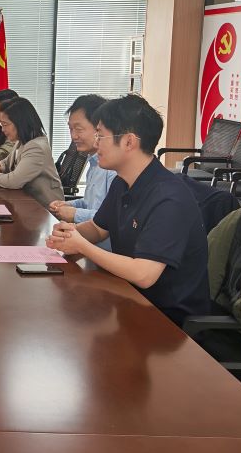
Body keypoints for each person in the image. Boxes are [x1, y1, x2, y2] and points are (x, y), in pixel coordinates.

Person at [46, 95, 210, 326]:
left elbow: (144, 274)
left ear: (129, 142)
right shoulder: (122, 182)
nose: (96, 143)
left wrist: (81, 246)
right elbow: (98, 228)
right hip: (128, 298)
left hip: (168, 321)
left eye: (101, 135)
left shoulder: (169, 198)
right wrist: (69, 234)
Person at [47, 94, 117, 226]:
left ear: (100, 128)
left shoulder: (114, 168)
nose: (73, 136)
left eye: (78, 129)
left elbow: (111, 218)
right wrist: (67, 205)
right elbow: (89, 203)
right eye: (70, 129)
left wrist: (75, 214)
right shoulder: (94, 163)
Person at [0, 97, 64, 207]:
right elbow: (7, 162)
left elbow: (14, 181)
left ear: (20, 123)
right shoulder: (22, 141)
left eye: (5, 124)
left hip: (46, 209)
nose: (3, 130)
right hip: (29, 203)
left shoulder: (36, 147)